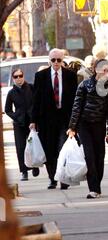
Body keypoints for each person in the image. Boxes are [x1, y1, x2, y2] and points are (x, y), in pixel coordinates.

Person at [67, 59, 108, 199]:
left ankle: (97, 186)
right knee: (89, 155)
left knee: (99, 156)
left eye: (107, 70)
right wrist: (72, 127)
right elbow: (76, 107)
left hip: (99, 124)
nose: (105, 72)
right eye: (103, 69)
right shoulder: (84, 85)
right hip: (84, 124)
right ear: (96, 69)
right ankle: (93, 189)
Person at [30, 48, 78, 189]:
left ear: (62, 60)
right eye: (53, 60)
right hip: (46, 120)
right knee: (49, 150)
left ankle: (63, 179)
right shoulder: (41, 76)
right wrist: (33, 120)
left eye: (59, 60)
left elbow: (76, 99)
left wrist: (76, 121)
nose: (56, 63)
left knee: (62, 149)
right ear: (49, 61)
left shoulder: (70, 75)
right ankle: (52, 178)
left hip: (65, 119)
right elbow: (36, 100)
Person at [5, 69, 39, 181]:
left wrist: (35, 117)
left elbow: (37, 103)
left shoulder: (31, 87)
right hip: (19, 124)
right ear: (13, 79)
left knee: (33, 145)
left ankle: (34, 166)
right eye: (16, 77)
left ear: (23, 76)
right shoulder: (11, 93)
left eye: (20, 76)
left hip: (32, 122)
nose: (18, 78)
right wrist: (16, 116)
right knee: (21, 147)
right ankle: (24, 171)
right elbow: (7, 110)